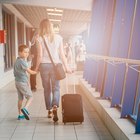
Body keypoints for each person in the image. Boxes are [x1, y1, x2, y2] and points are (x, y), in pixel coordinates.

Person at [35, 18, 72, 122]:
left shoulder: (39, 38)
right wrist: (67, 67)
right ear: (51, 26)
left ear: (41, 27)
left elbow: (40, 55)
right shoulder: (59, 37)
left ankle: (49, 110)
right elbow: (62, 54)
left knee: (47, 89)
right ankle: (55, 105)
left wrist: (36, 68)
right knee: (56, 88)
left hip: (44, 66)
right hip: (56, 66)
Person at [14, 44, 37, 120]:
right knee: (30, 97)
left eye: (27, 52)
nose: (26, 54)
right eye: (24, 52)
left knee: (20, 98)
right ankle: (25, 109)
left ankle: (20, 115)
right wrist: (36, 71)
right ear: (19, 53)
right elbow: (29, 71)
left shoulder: (17, 61)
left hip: (17, 82)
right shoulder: (22, 62)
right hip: (22, 82)